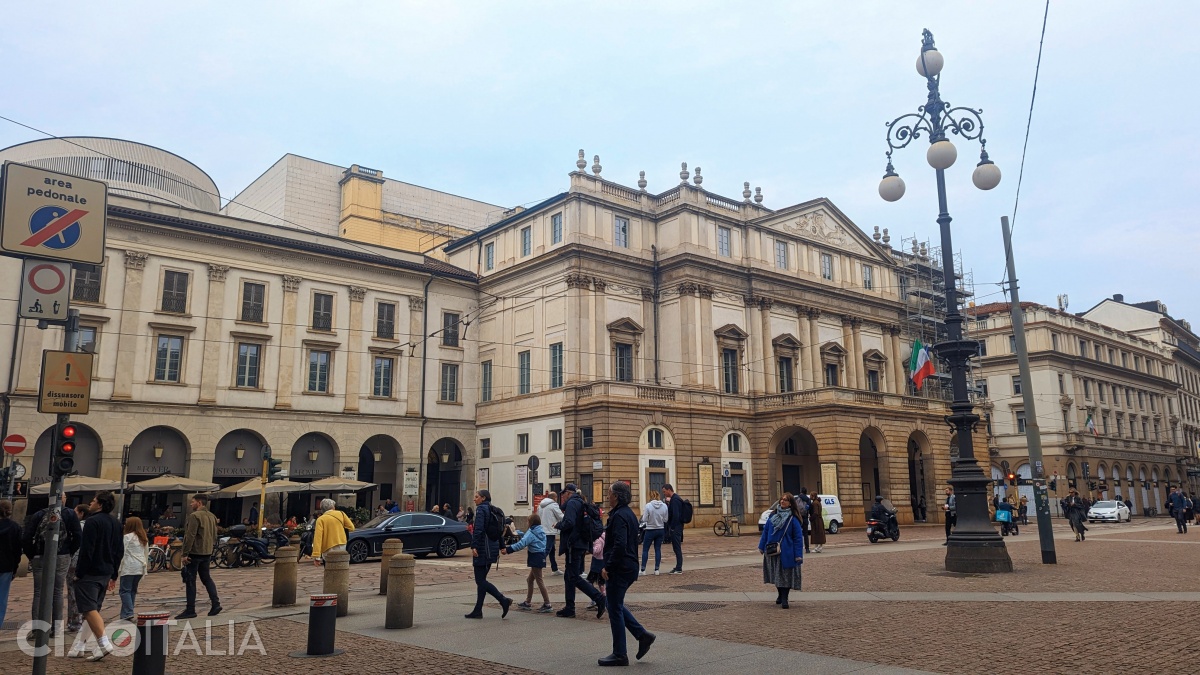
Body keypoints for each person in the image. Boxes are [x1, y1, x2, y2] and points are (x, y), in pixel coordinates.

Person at [598, 481, 655, 666]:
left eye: (609, 493)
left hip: (621, 567)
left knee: (614, 608)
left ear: (616, 496)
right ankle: (642, 635)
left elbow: (620, 544)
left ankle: (620, 654)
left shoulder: (620, 516)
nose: (607, 496)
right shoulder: (628, 513)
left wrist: (609, 566)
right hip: (628, 566)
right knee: (613, 603)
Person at [68, 491, 123, 662]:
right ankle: (79, 646)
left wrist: (79, 573)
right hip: (106, 571)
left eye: (93, 501)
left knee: (88, 609)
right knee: (93, 610)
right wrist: (114, 574)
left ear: (99, 504)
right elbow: (118, 550)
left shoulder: (92, 521)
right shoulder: (115, 522)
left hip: (91, 571)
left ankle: (103, 642)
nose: (90, 503)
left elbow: (87, 550)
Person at [23, 492, 82, 634]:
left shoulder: (38, 514)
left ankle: (38, 628)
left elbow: (26, 537)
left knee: (38, 592)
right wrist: (69, 552)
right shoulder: (69, 514)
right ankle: (57, 628)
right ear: (63, 499)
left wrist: (32, 554)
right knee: (58, 591)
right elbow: (78, 536)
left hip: (39, 556)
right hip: (62, 555)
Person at [555, 483, 605, 618]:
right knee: (569, 576)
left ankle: (599, 598)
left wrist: (558, 525)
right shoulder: (580, 502)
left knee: (573, 576)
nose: (562, 497)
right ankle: (569, 607)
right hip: (580, 544)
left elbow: (569, 522)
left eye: (563, 493)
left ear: (569, 493)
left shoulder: (572, 503)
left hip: (574, 544)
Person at [465, 490, 512, 619]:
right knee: (482, 581)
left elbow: (478, 529)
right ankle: (478, 610)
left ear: (483, 498)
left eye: (476, 497)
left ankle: (503, 600)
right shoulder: (495, 510)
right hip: (492, 549)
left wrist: (474, 545)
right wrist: (502, 546)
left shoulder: (481, 510)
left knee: (480, 580)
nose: (474, 499)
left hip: (482, 548)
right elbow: (500, 531)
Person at [177, 493, 222, 619]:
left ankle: (190, 609)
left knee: (190, 580)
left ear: (199, 503)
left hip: (195, 553)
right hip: (207, 552)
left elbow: (190, 535)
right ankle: (215, 603)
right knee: (206, 578)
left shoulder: (194, 516)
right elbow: (214, 535)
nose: (191, 504)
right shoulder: (212, 516)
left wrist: (185, 553)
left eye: (193, 502)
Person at [759, 492, 804, 609]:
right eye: (781, 500)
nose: (782, 501)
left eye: (785, 500)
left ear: (790, 504)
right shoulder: (773, 516)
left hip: (787, 552)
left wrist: (798, 554)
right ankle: (779, 594)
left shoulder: (793, 519)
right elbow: (766, 531)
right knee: (776, 575)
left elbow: (798, 538)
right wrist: (761, 545)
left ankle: (785, 598)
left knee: (785, 576)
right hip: (772, 550)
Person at [502, 512, 551, 613]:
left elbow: (521, 544)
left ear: (531, 523)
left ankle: (547, 603)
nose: (527, 523)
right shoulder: (541, 531)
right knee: (530, 580)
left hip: (535, 557)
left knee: (539, 580)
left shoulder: (531, 532)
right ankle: (528, 601)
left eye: (528, 521)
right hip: (540, 556)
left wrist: (508, 549)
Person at [119, 516, 149, 621]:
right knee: (132, 590)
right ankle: (125, 614)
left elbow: (121, 552)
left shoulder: (127, 537)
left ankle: (128, 612)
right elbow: (146, 553)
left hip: (129, 566)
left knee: (124, 590)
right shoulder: (143, 538)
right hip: (140, 567)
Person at [65, 503, 89, 633]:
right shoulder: (91, 525)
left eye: (75, 512)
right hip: (87, 563)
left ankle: (75, 622)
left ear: (81, 513)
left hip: (74, 561)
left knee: (72, 592)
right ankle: (85, 620)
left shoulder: (78, 526)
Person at [312, 498, 356, 565]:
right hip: (341, 543)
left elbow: (318, 538)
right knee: (340, 566)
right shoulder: (341, 514)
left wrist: (317, 556)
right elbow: (351, 528)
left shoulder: (321, 519)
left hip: (327, 547)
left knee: (329, 568)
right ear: (332, 507)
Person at [0, 499, 21, 629]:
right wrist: (15, 567)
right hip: (6, 566)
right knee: (2, 598)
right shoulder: (15, 527)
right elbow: (17, 550)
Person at [639, 490, 668, 575]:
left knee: (645, 550)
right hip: (660, 529)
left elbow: (644, 519)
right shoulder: (664, 506)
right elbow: (666, 519)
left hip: (650, 529)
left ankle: (643, 570)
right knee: (658, 549)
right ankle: (657, 570)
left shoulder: (648, 506)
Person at [661, 483, 685, 574]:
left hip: (676, 527)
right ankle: (678, 566)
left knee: (677, 547)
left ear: (669, 490)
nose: (664, 493)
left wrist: (672, 528)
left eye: (664, 491)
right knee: (676, 547)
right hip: (677, 526)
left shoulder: (675, 500)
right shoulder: (675, 499)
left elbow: (676, 515)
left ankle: (679, 568)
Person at [539, 491, 563, 576]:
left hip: (543, 529)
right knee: (547, 549)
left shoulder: (540, 505)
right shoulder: (553, 505)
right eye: (556, 497)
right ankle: (538, 568)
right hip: (550, 530)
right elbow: (561, 516)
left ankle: (554, 568)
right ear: (554, 497)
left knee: (552, 550)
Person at [586, 531, 606, 610]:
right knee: (601, 582)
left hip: (597, 563)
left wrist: (589, 550)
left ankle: (595, 598)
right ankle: (604, 597)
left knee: (589, 582)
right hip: (602, 561)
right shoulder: (604, 537)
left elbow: (596, 550)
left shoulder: (597, 539)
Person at [798, 488, 813, 553]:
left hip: (798, 518)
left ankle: (799, 548)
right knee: (805, 534)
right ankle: (807, 548)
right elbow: (810, 509)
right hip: (805, 518)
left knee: (798, 534)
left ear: (801, 492)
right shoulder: (808, 499)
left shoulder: (797, 498)